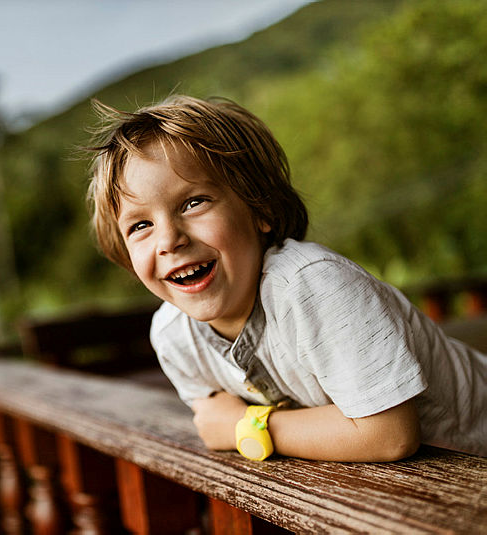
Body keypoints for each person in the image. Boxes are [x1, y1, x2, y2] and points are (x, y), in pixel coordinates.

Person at [87, 95, 487, 461]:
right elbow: (212, 419)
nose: (169, 240)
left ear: (261, 210)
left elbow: (389, 434)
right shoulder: (174, 335)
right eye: (140, 226)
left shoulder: (315, 286)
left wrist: (246, 426)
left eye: (194, 203)